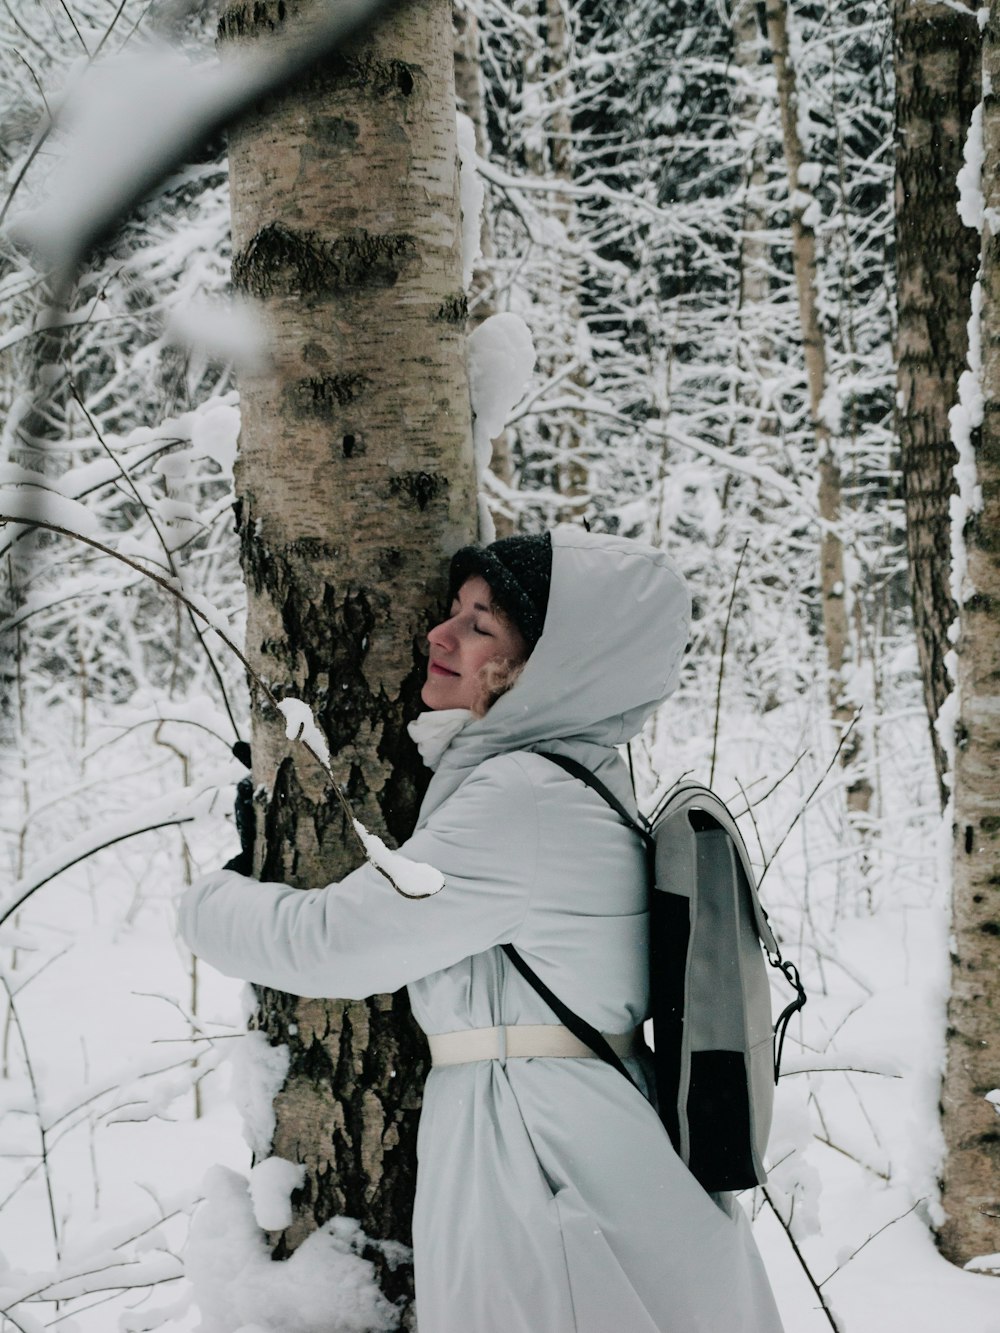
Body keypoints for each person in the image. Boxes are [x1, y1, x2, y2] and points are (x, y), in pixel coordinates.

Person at [179, 525, 785, 1333]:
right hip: (566, 1130)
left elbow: (331, 941)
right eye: (455, 610)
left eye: (480, 623)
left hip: (538, 1155)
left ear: (548, 669)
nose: (438, 633)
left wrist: (206, 901)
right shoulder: (571, 777)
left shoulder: (523, 797)